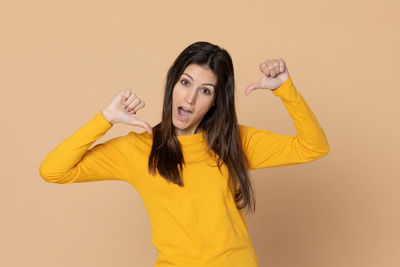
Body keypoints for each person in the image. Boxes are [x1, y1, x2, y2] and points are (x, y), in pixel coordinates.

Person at [39, 41, 329, 267]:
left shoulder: (233, 142)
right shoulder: (138, 150)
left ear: (215, 102)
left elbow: (313, 147)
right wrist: (106, 118)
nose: (190, 98)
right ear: (173, 84)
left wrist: (286, 90)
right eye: (186, 83)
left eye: (205, 91)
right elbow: (53, 170)